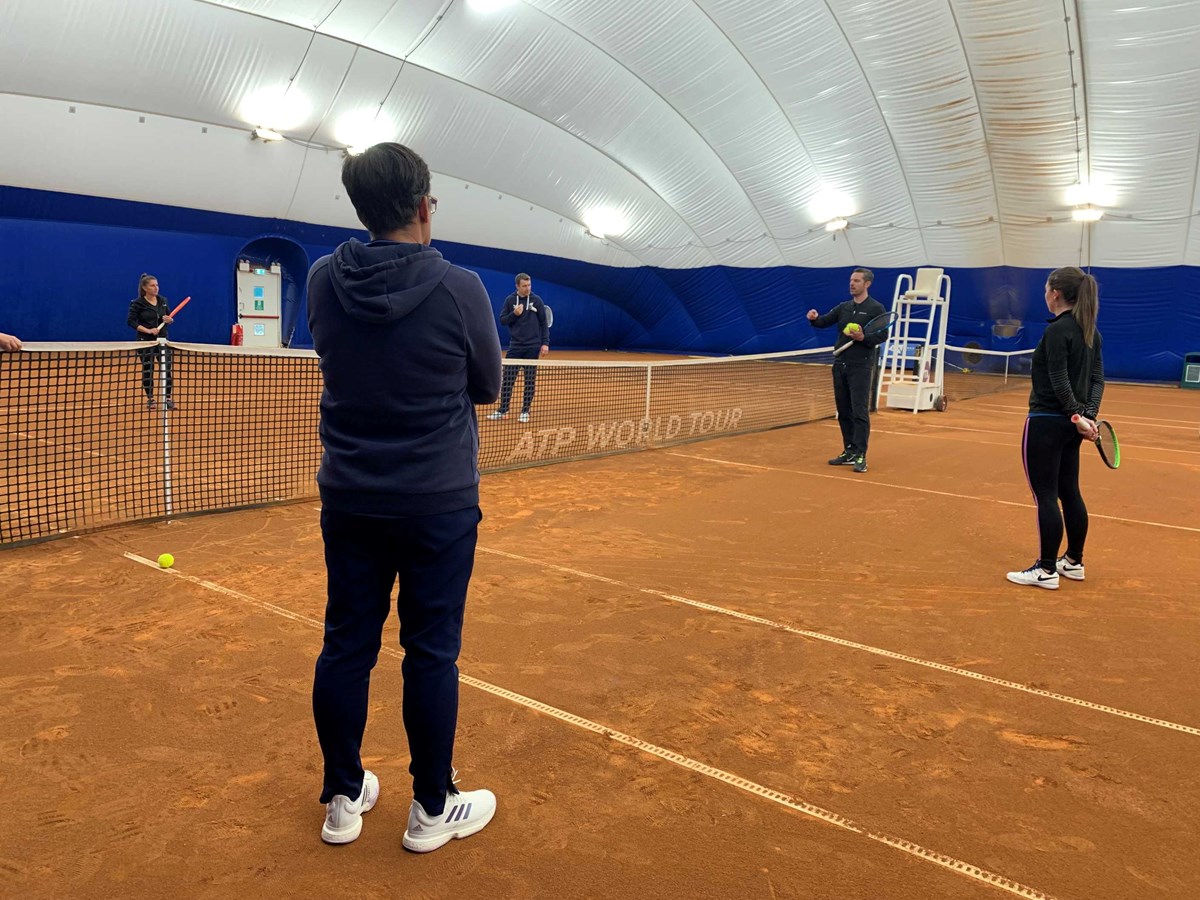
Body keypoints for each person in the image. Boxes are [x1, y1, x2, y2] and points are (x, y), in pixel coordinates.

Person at [307, 142, 502, 852]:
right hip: (438, 503)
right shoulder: (462, 288)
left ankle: (343, 797)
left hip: (350, 498)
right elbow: (487, 387)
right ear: (424, 206)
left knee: (346, 647)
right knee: (430, 654)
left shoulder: (323, 281)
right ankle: (431, 808)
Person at [1006, 267, 1104, 590]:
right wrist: (1086, 416)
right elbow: (1096, 381)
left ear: (1056, 294)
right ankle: (1073, 561)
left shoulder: (1057, 331)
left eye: (1046, 289)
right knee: (1069, 492)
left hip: (1046, 421)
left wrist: (1078, 413)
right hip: (1069, 427)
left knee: (1046, 495)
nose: (1045, 294)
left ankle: (1046, 569)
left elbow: (1059, 378)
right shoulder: (1091, 332)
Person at [806, 267, 887, 473]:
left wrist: (863, 338)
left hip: (860, 366)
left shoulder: (875, 308)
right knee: (843, 411)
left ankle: (861, 454)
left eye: (857, 281)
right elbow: (824, 321)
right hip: (840, 364)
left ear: (867, 284)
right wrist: (814, 318)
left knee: (859, 411)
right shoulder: (844, 307)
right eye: (851, 280)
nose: (852, 284)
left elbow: (882, 335)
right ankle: (849, 450)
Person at [487, 273, 549, 424]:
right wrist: (514, 314)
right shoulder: (510, 300)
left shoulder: (537, 300)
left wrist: (545, 343)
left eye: (529, 285)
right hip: (515, 346)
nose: (528, 288)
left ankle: (525, 411)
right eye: (524, 286)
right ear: (517, 286)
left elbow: (544, 323)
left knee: (529, 380)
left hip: (532, 347)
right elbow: (502, 320)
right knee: (508, 379)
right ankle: (503, 410)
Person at [126, 274, 175, 410]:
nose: (156, 288)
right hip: (145, 342)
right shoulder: (137, 303)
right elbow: (131, 321)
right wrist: (148, 331)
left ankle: (168, 398)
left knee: (166, 369)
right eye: (152, 285)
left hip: (162, 341)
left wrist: (169, 320)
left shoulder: (163, 301)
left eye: (157, 285)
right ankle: (150, 399)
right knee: (148, 369)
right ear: (145, 288)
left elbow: (169, 317)